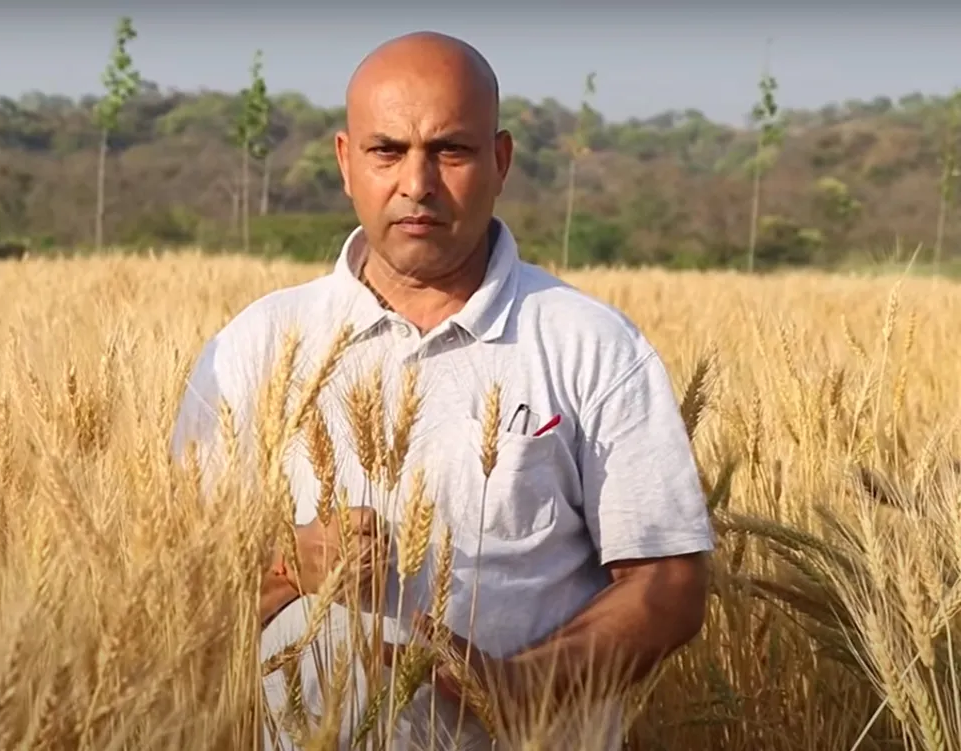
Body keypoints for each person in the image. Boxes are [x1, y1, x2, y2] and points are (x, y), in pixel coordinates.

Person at [170, 30, 714, 751]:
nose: (416, 184)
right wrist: (286, 568)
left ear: (501, 161)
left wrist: (530, 685)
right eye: (387, 151)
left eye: (450, 151)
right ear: (345, 161)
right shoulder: (256, 345)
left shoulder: (590, 343)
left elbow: (671, 582)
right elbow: (171, 578)